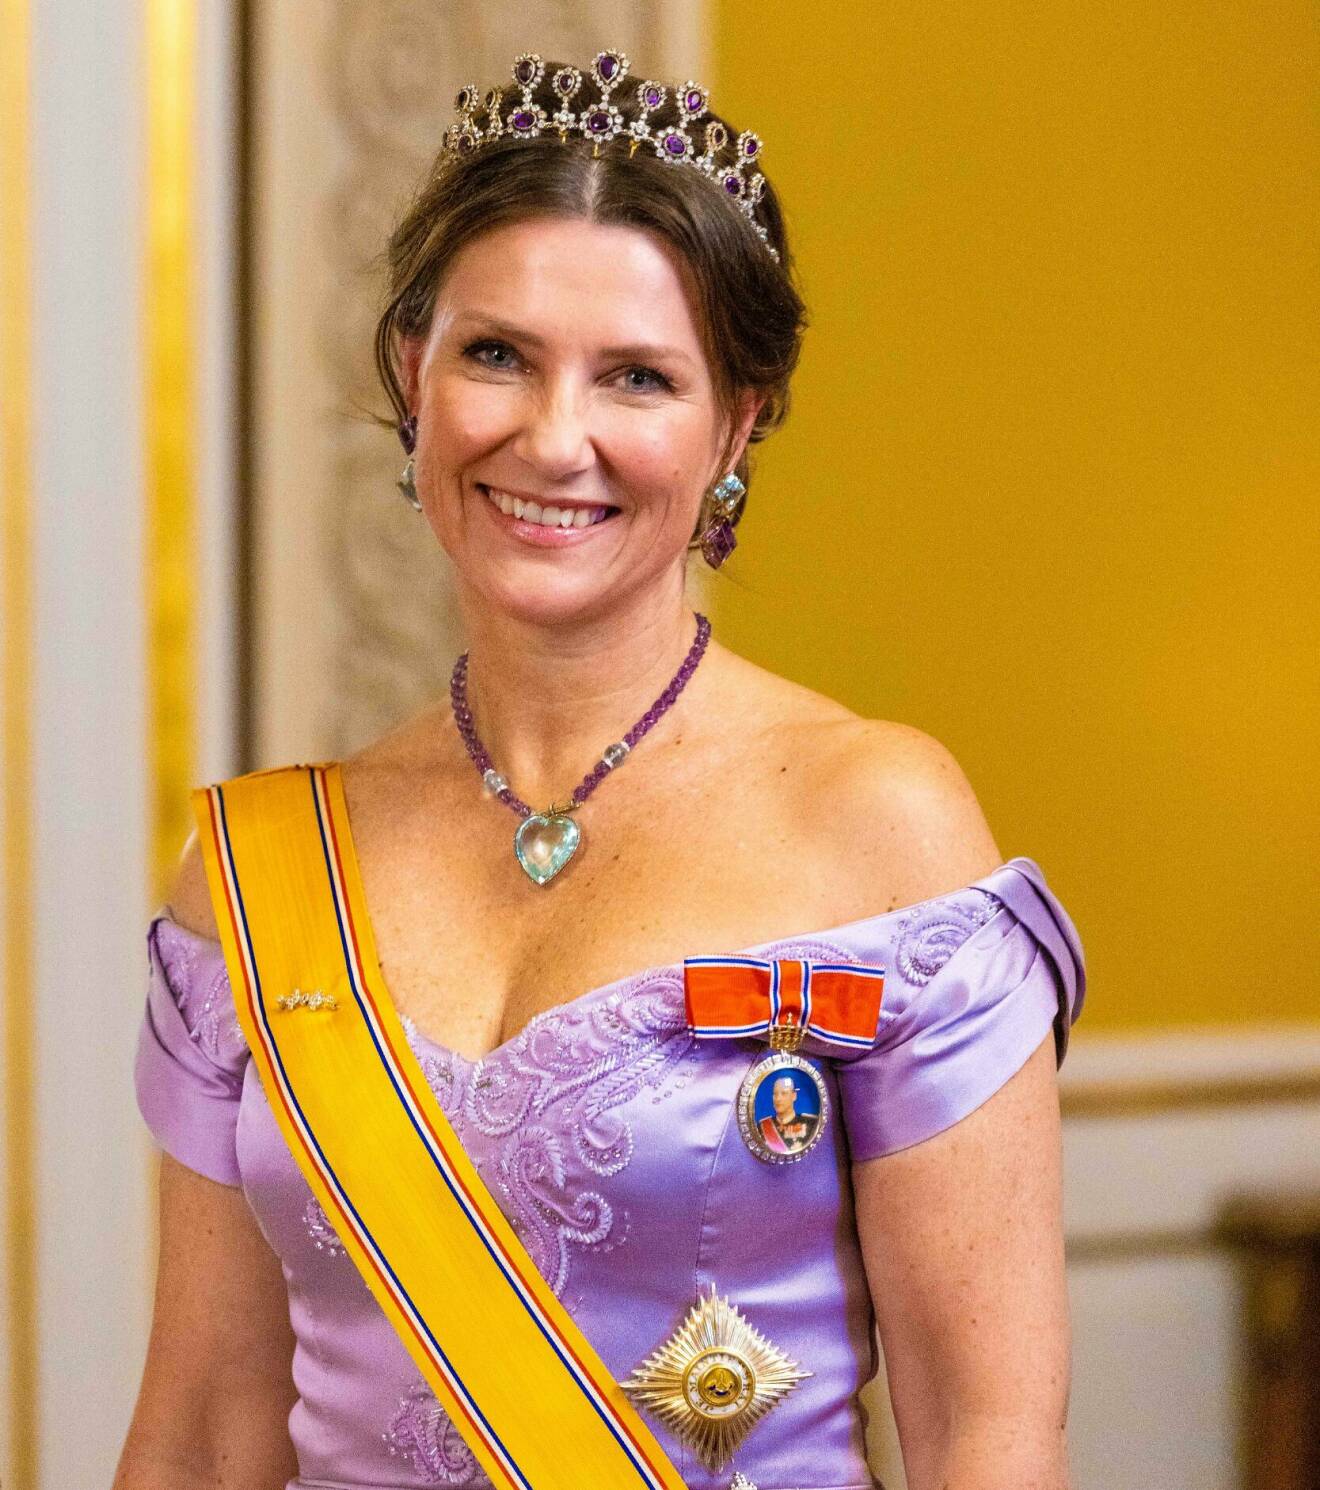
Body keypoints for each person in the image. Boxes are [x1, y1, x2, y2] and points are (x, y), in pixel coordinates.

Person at [116, 46, 1086, 1490]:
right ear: (414, 374)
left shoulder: (876, 825)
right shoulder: (252, 877)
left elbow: (984, 1434)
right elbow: (204, 1432)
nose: (553, 436)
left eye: (637, 377)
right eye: (496, 355)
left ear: (736, 423)